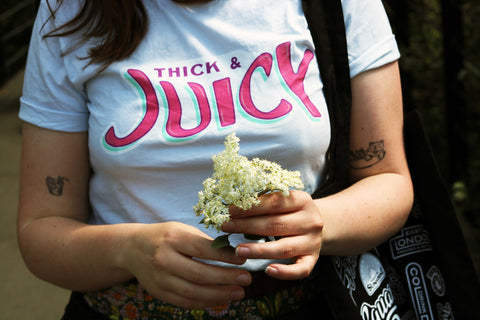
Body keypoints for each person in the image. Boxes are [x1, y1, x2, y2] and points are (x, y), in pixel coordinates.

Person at [17, 0, 413, 319]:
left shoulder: (340, 7)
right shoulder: (70, 12)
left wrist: (322, 223)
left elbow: (389, 179)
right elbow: (41, 230)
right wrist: (128, 250)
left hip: (305, 302)